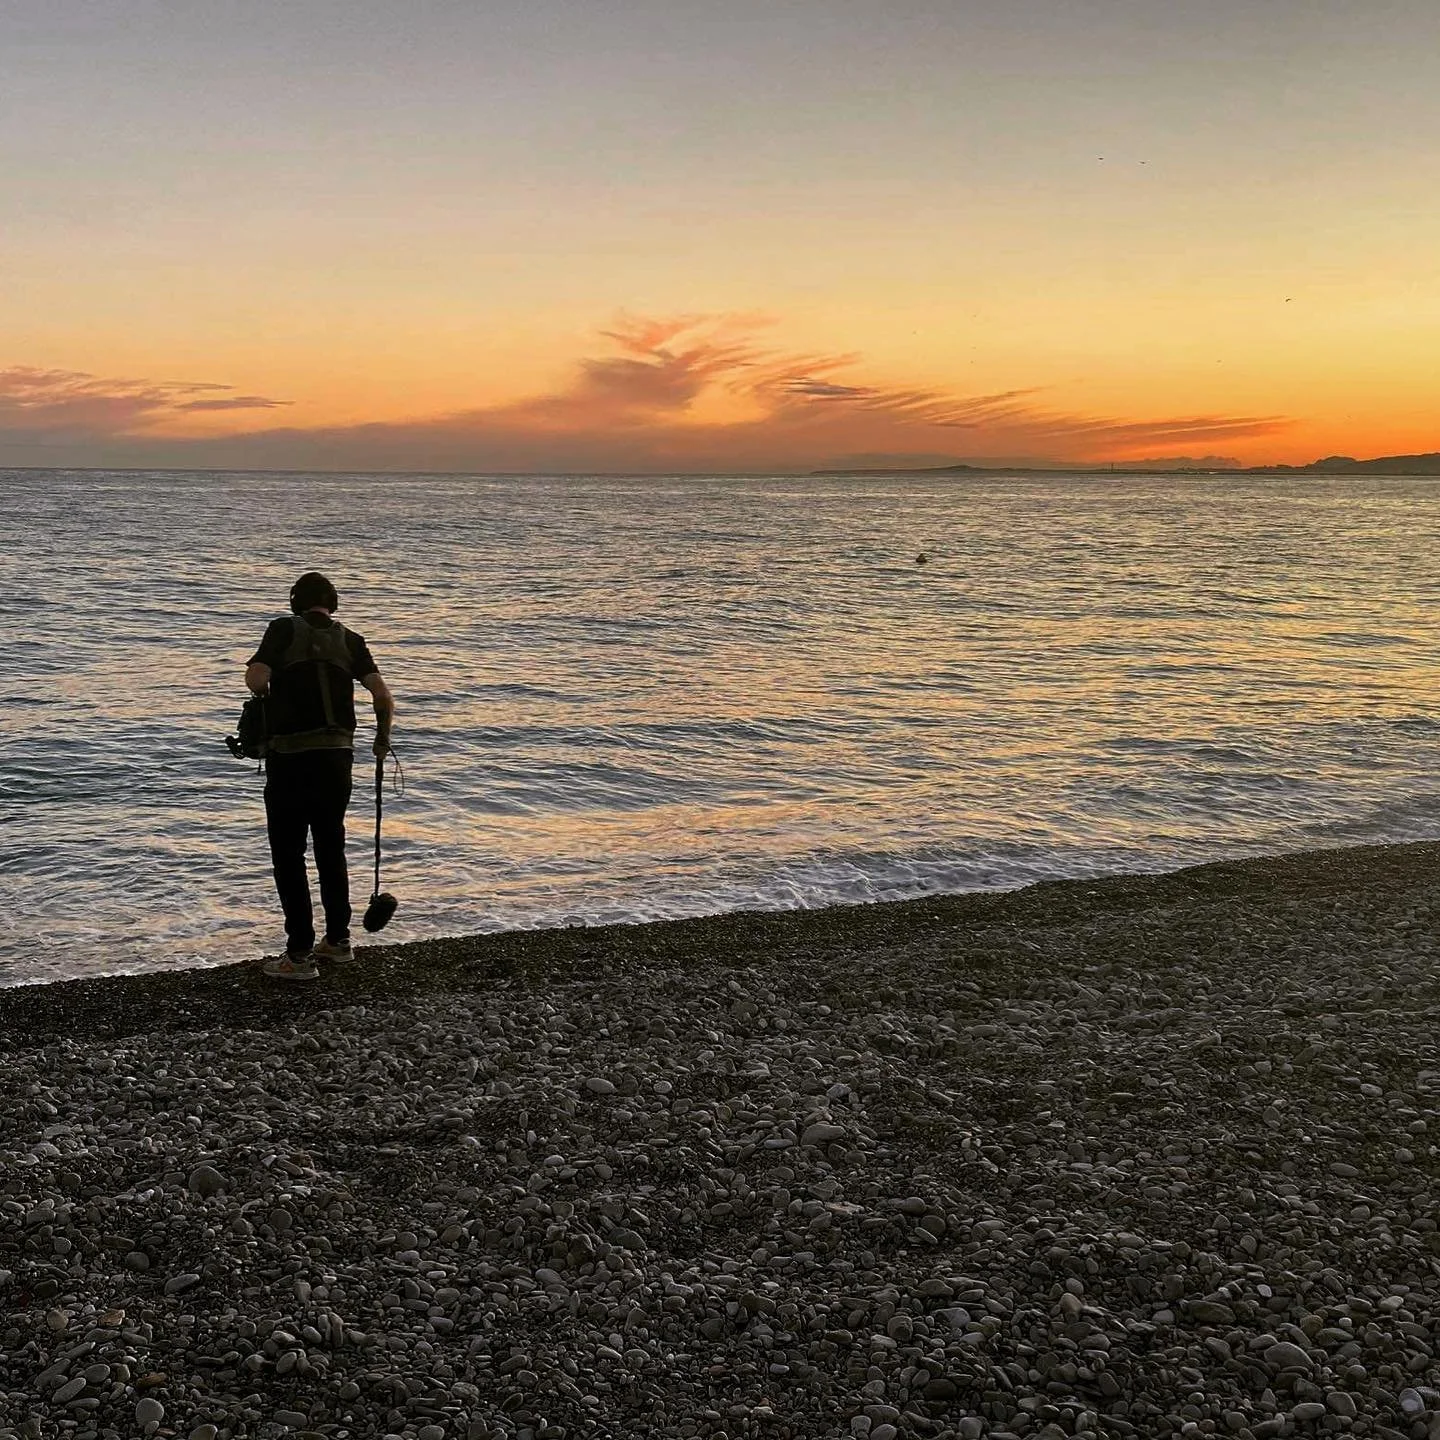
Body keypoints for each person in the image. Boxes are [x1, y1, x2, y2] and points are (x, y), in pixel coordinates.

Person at [245, 571, 395, 981]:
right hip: (337, 760)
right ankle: (338, 942)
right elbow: (382, 697)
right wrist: (381, 741)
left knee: (289, 855)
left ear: (295, 602)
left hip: (291, 760)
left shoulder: (282, 629)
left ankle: (298, 955)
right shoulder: (351, 640)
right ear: (333, 603)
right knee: (331, 848)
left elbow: (258, 679)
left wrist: (264, 688)